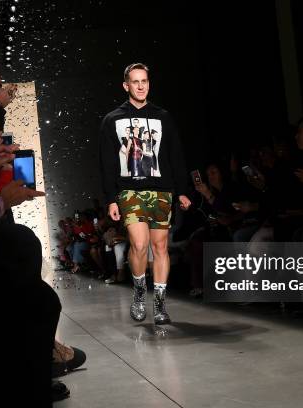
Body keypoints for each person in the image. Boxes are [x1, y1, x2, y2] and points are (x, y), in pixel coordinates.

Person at [99, 63, 191, 324]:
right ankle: (139, 294)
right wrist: (110, 199)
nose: (141, 86)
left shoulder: (163, 116)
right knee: (139, 245)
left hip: (161, 189)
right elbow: (106, 163)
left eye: (145, 81)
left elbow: (175, 155)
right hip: (130, 190)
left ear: (149, 83)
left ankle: (160, 305)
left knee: (160, 246)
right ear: (126, 85)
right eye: (135, 81)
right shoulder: (112, 119)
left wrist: (182, 191)